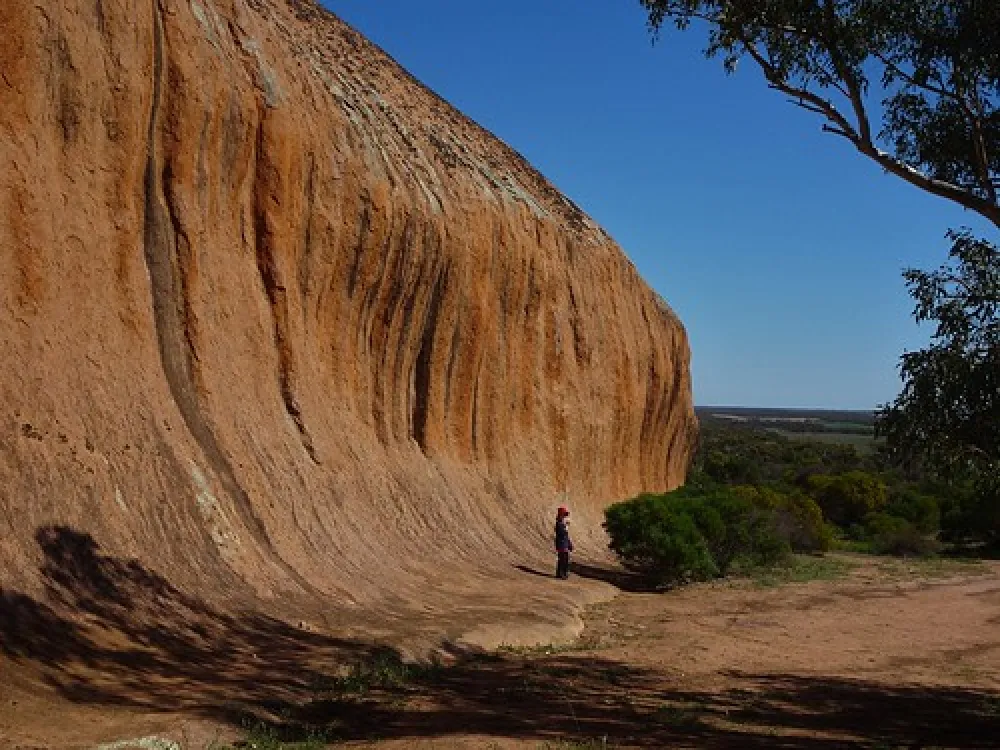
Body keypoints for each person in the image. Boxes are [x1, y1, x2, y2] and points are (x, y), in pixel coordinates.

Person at [554, 505, 573, 579]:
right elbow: (562, 534)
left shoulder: (562, 524)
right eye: (564, 515)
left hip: (564, 544)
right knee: (563, 559)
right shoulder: (559, 524)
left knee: (564, 559)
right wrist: (566, 527)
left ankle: (561, 573)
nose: (565, 517)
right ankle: (561, 574)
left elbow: (566, 536)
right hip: (561, 545)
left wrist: (569, 544)